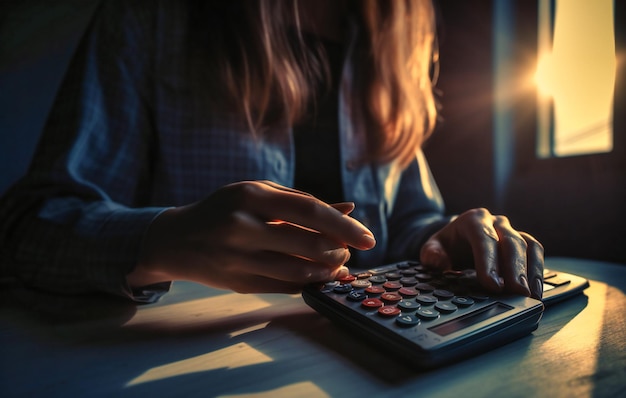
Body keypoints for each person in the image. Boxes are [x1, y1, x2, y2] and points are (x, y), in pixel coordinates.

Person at [0, 0, 543, 304]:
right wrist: (161, 240)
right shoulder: (152, 21)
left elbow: (404, 223)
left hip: (369, 367)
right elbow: (30, 227)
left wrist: (440, 237)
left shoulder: (391, 45)